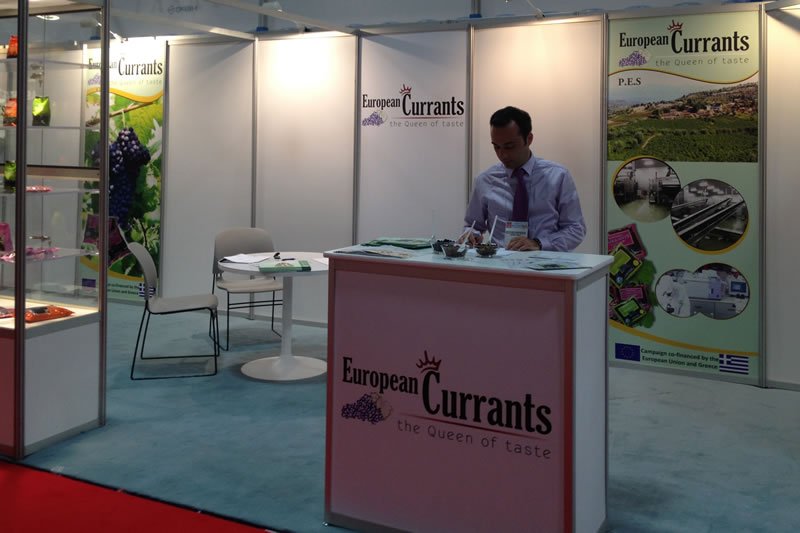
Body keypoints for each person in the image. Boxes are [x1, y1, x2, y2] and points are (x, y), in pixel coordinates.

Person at [463, 106, 586, 251]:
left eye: (509, 146)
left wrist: (539, 243)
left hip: (546, 261)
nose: (502, 154)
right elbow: (472, 226)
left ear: (529, 139)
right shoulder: (485, 180)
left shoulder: (558, 176)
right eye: (496, 147)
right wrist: (471, 235)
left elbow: (576, 229)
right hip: (500, 262)